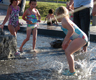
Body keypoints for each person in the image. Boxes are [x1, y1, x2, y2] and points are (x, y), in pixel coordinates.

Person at [55, 6, 88, 76]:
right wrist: (67, 42)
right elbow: (70, 34)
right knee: (68, 51)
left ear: (58, 14)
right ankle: (72, 68)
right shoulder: (65, 20)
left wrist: (64, 41)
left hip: (81, 38)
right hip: (80, 37)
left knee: (68, 52)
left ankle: (72, 71)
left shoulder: (64, 20)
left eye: (56, 15)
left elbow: (71, 30)